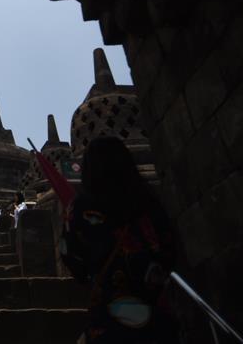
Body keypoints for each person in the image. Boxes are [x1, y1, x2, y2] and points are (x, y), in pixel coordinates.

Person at [60, 136, 179, 343]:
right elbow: (169, 249)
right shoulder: (149, 203)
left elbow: (71, 257)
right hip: (158, 319)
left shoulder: (80, 208)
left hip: (108, 319)